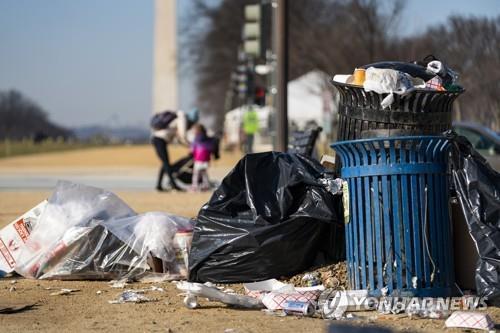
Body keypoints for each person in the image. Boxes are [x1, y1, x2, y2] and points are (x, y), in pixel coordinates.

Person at [151, 109, 199, 192]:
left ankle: (159, 186)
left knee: (165, 163)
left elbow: (179, 139)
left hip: (158, 139)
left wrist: (187, 145)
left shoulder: (178, 118)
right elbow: (182, 135)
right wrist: (191, 146)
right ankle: (173, 185)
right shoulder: (182, 119)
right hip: (159, 140)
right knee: (166, 163)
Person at [190, 124, 213, 191]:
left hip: (199, 158)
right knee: (204, 173)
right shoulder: (207, 139)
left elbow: (193, 148)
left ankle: (195, 186)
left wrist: (191, 151)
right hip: (206, 158)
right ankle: (206, 185)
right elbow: (211, 148)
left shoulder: (196, 138)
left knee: (196, 173)